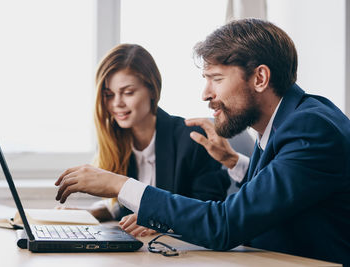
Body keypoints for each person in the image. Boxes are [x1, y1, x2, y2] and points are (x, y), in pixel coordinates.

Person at [55, 19, 350, 266]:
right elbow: (275, 194)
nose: (205, 94)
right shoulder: (286, 121)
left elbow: (225, 224)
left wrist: (119, 185)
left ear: (260, 78)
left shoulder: (309, 129)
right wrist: (234, 161)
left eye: (216, 79)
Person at [77, 43, 231, 236]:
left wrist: (163, 221)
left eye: (128, 92)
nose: (117, 103)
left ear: (152, 89)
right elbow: (125, 205)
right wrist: (91, 212)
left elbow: (211, 210)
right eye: (109, 95)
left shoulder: (192, 138)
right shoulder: (116, 140)